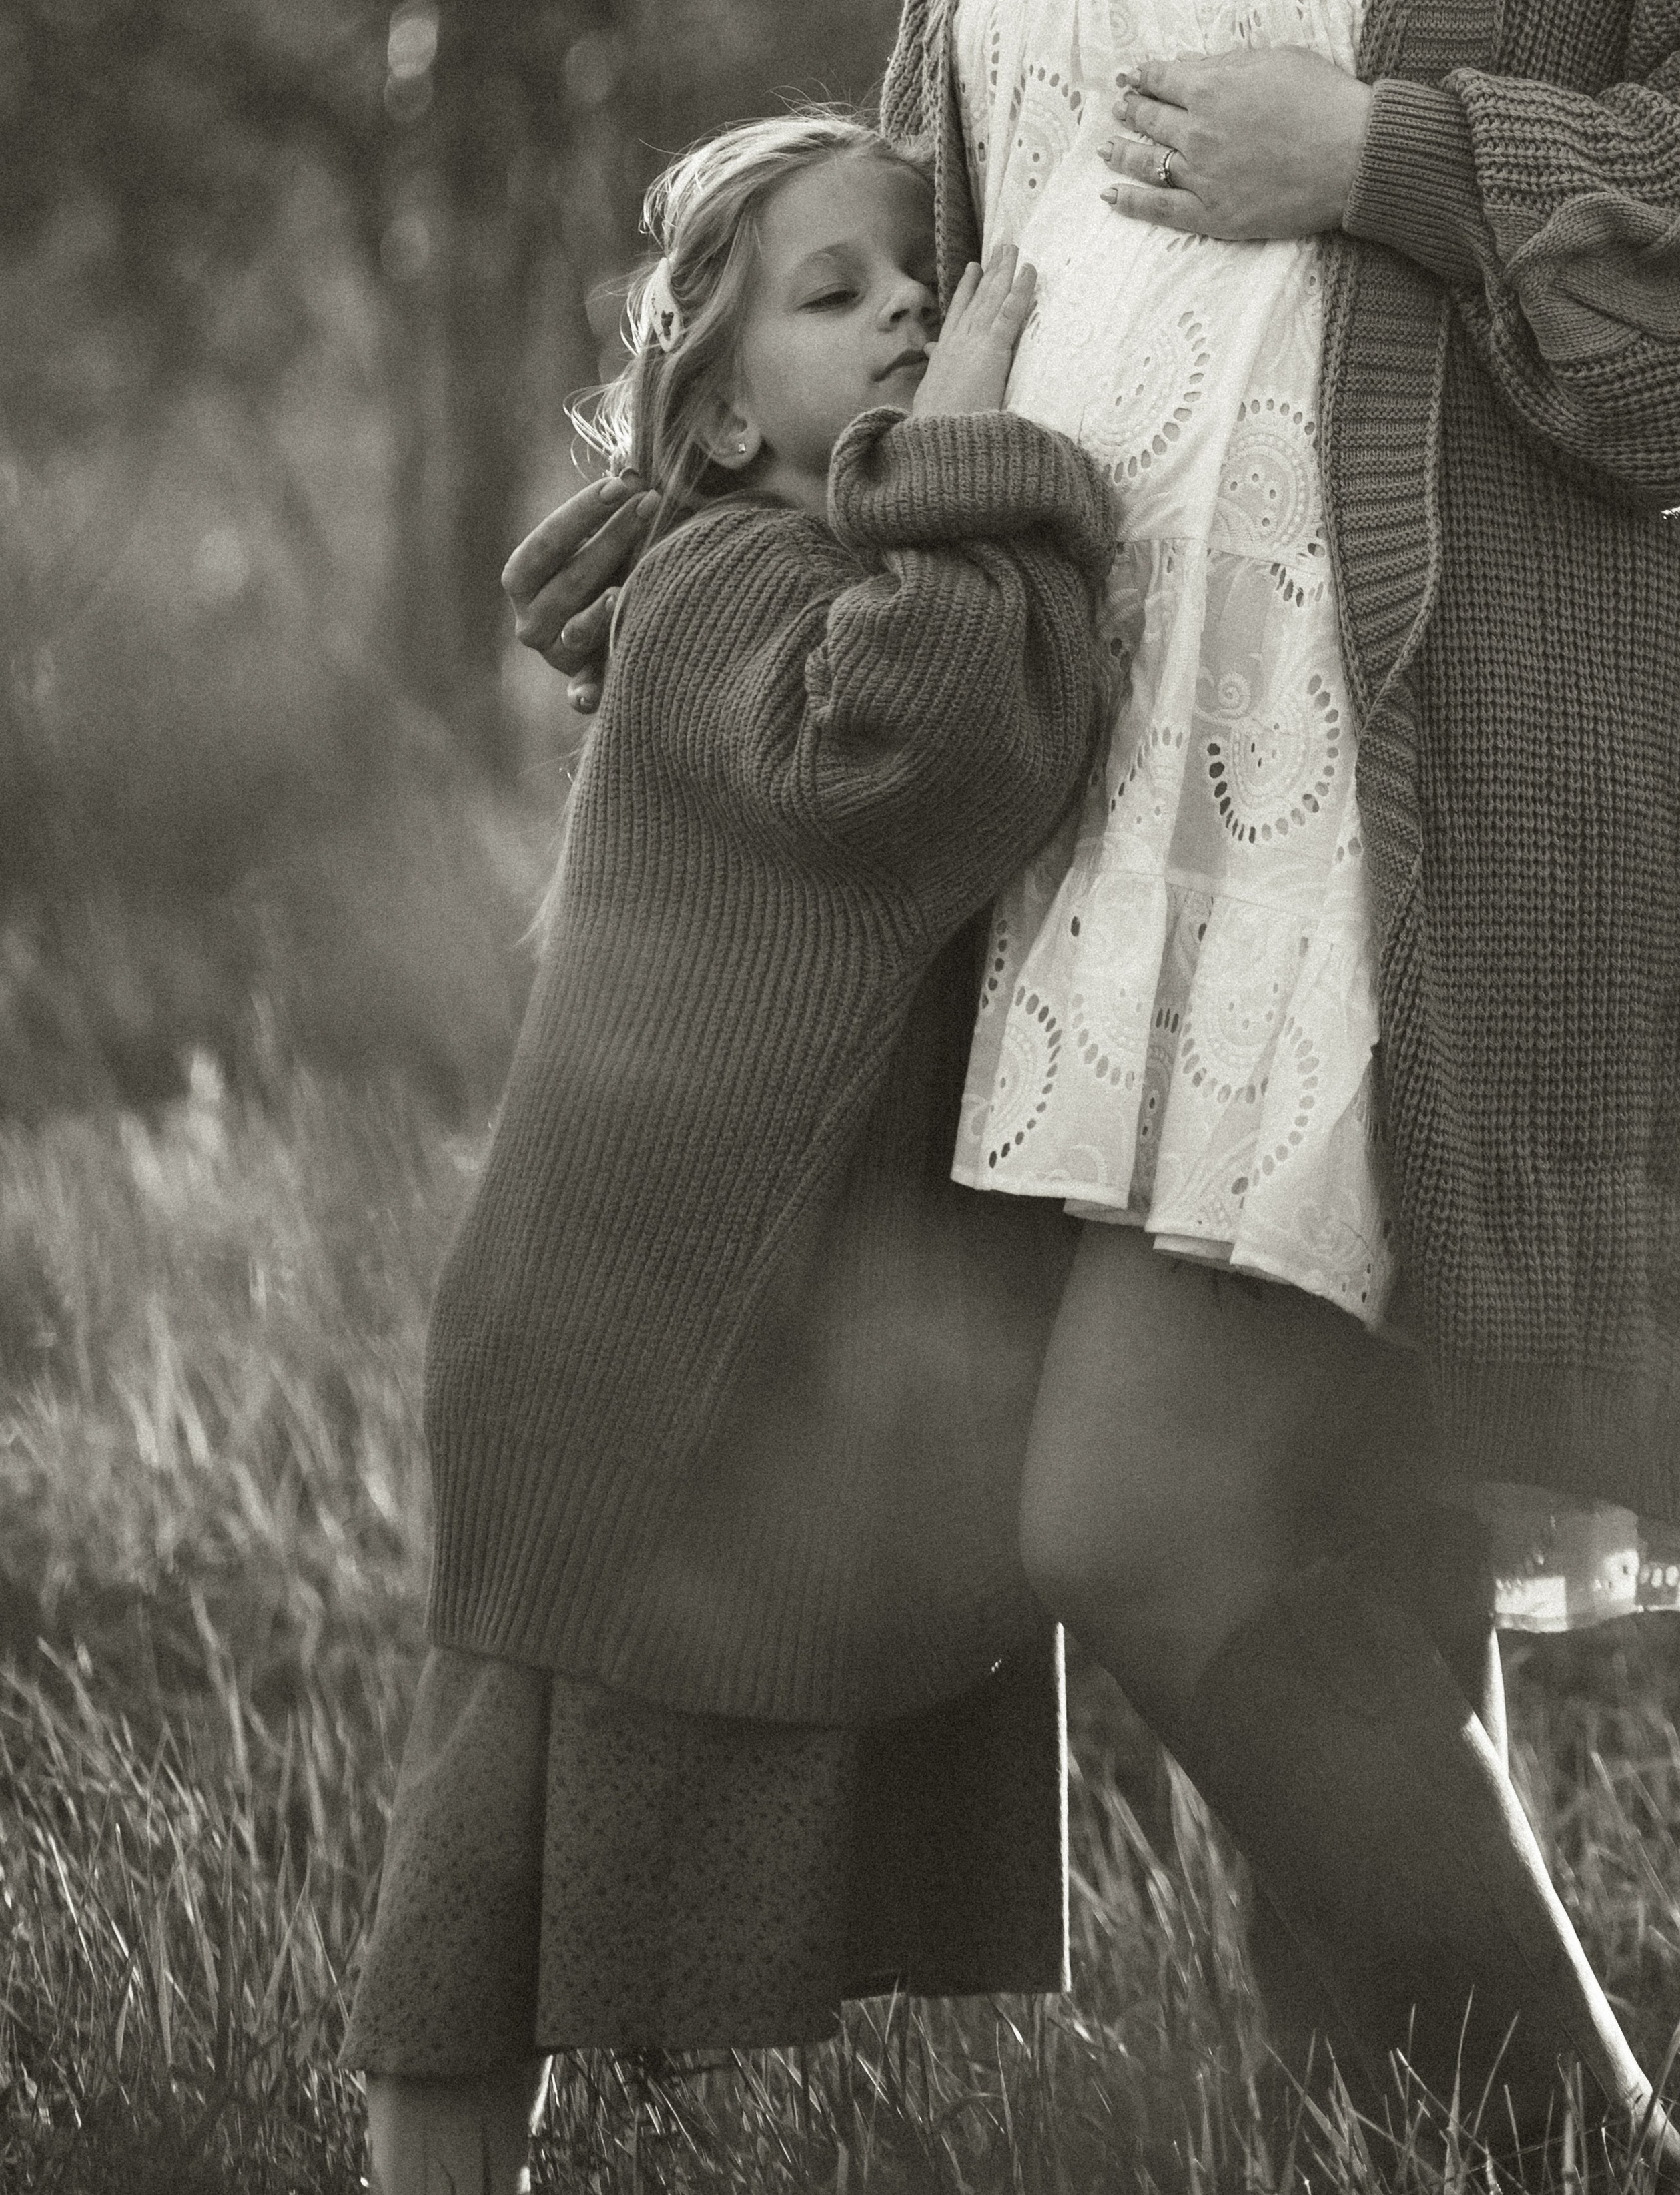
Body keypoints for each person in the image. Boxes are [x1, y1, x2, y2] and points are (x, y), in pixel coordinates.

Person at [509, 0, 1680, 2176]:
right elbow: (898, 246)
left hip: (1396, 786)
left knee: (1139, 1515)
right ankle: (1444, 2156)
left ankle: (1595, 2156)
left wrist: (1383, 151)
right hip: (1063, 793)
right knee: (1346, 1588)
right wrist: (703, 513)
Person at [343, 110, 1118, 2195]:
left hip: (719, 1344)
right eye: (837, 293)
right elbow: (922, 763)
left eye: (925, 285)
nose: (908, 322)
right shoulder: (726, 589)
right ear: (709, 415)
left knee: (549, 1821)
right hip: (617, 1352)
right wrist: (968, 459)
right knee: (485, 1862)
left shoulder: (825, 568)